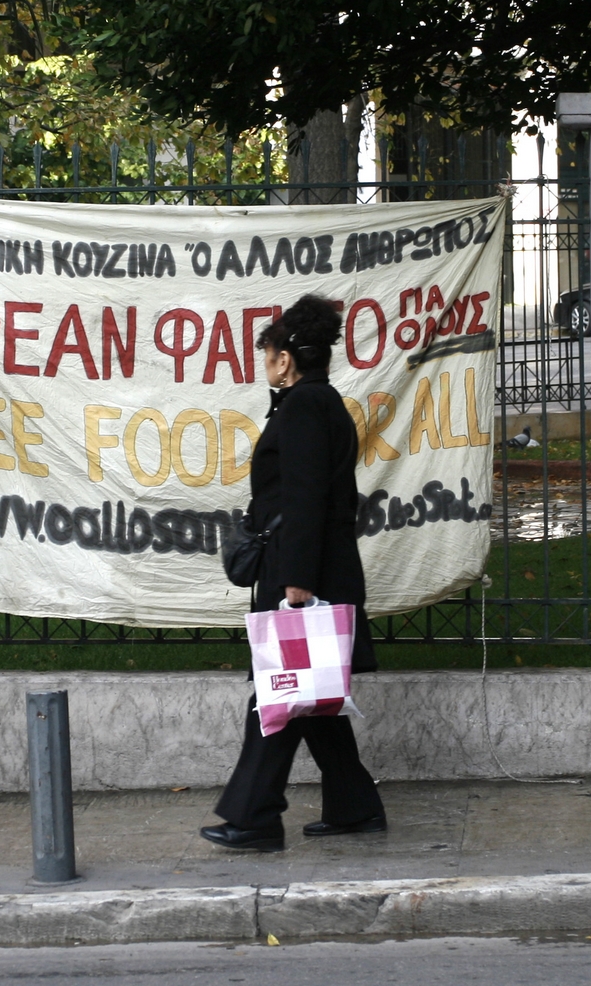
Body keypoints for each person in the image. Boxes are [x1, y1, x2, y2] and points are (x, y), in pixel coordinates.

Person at [202, 295, 386, 852]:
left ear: (285, 360)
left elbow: (306, 499)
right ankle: (355, 807)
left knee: (277, 692)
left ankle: (254, 816)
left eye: (266, 356)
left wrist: (297, 582)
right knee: (308, 692)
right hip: (311, 568)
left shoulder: (305, 408)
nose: (263, 365)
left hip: (302, 573)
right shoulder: (318, 403)